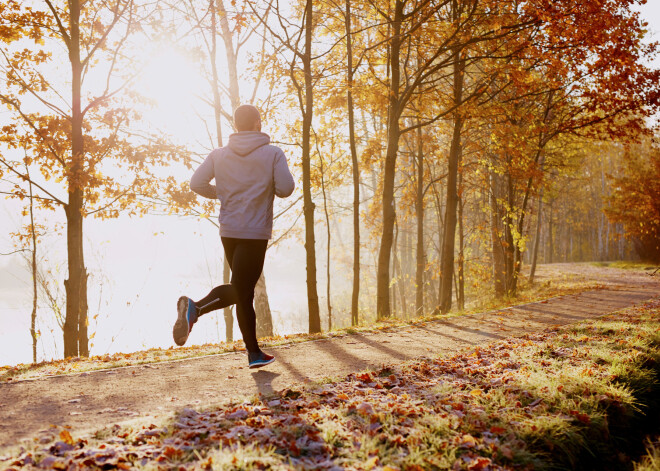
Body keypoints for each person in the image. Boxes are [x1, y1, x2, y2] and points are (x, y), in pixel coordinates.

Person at [173, 104, 295, 368]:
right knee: (242, 288)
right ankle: (196, 308)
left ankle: (254, 353)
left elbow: (196, 183)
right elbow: (286, 188)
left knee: (243, 290)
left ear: (236, 126)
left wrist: (224, 193)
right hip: (254, 231)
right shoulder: (273, 154)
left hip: (229, 230)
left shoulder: (219, 155)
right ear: (258, 123)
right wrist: (264, 186)